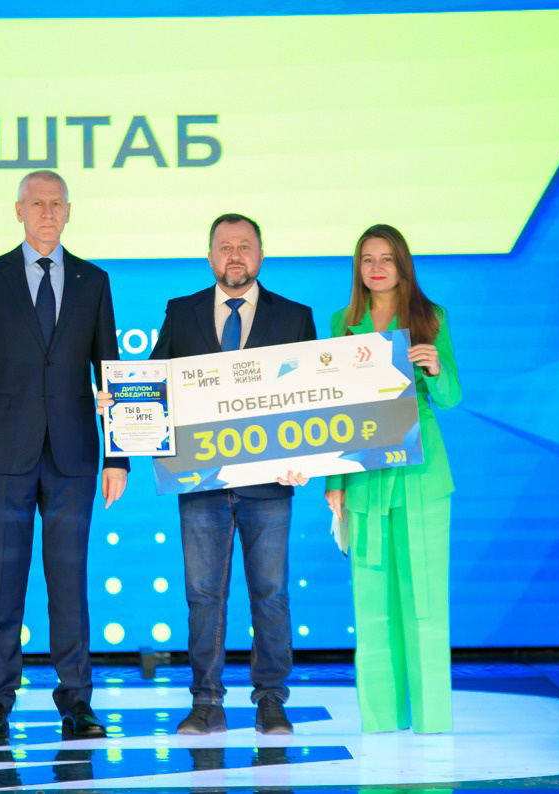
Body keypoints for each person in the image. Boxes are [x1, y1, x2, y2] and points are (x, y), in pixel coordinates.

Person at [0, 170, 128, 743]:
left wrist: (118, 457)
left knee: (69, 584)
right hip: (2, 456)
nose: (47, 213)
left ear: (69, 211)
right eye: (37, 203)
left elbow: (111, 371)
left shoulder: (94, 281)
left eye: (56, 204)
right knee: (4, 584)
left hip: (75, 455)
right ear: (18, 210)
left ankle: (77, 701)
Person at [143, 213, 315, 735]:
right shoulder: (182, 311)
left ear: (260, 255)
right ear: (209, 256)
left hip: (270, 484)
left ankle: (271, 700)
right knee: (202, 595)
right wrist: (125, 404)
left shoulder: (295, 317)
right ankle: (206, 703)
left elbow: (314, 401)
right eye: (224, 247)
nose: (234, 255)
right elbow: (154, 382)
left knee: (271, 593)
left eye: (244, 246)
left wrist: (310, 457)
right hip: (200, 481)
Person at [323, 223, 460, 734]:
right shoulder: (342, 322)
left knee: (424, 596)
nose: (376, 268)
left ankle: (431, 718)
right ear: (357, 268)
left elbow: (451, 398)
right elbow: (332, 407)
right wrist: (334, 482)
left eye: (386, 258)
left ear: (403, 264)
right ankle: (381, 719)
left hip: (422, 476)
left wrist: (436, 369)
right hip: (363, 475)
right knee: (371, 597)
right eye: (367, 259)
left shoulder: (431, 316)